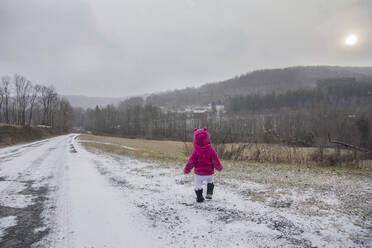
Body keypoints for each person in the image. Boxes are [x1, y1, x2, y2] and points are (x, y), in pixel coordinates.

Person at [183, 128, 223, 202]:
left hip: (199, 174)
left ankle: (199, 197)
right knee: (210, 181)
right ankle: (209, 193)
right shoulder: (211, 149)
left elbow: (191, 161)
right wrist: (219, 167)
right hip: (209, 173)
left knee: (198, 185)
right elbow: (215, 159)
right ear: (207, 138)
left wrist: (187, 169)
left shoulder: (196, 151)